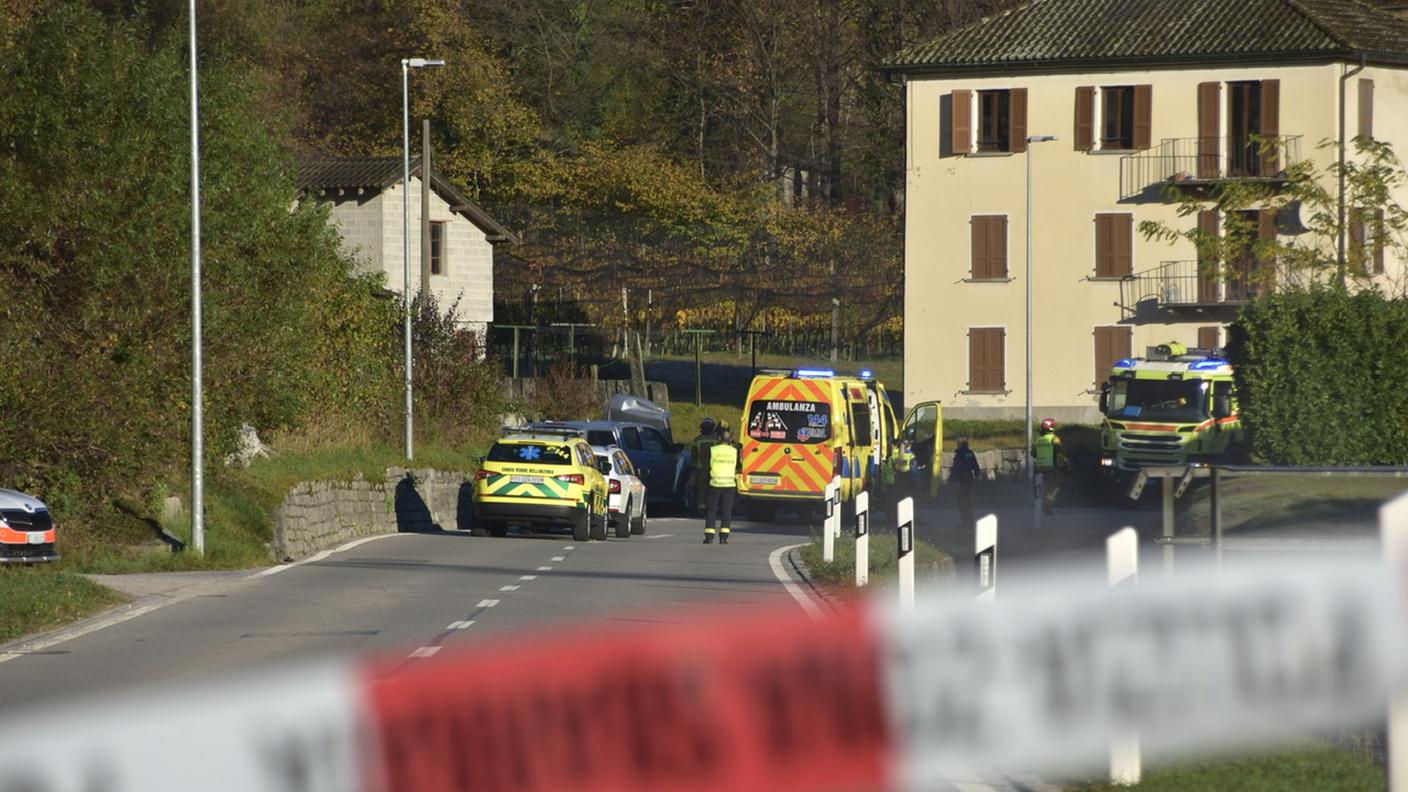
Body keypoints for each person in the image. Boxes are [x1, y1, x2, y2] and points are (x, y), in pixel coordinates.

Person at [704, 428, 740, 544]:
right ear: (730, 439)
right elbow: (738, 466)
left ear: (719, 438)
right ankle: (724, 537)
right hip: (729, 485)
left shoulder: (713, 450)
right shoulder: (734, 451)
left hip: (714, 484)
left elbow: (706, 467)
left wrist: (706, 480)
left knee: (711, 511)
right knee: (726, 511)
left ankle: (709, 536)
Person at [950, 437, 980, 532]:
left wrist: (952, 478)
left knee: (962, 503)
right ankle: (969, 523)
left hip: (961, 481)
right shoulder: (970, 453)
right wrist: (975, 478)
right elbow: (976, 467)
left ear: (959, 444)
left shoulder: (960, 454)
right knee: (968, 502)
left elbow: (957, 467)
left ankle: (965, 524)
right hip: (969, 480)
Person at [689, 418, 719, 513]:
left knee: (701, 489)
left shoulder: (697, 440)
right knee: (713, 489)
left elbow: (693, 456)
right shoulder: (716, 439)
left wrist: (693, 468)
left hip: (700, 469)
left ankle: (701, 508)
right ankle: (713, 507)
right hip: (713, 468)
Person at [1035, 417, 1063, 515]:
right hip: (1051, 467)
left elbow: (1033, 453)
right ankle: (1048, 504)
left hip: (1039, 467)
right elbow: (1061, 449)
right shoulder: (1053, 438)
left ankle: (1041, 503)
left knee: (1044, 487)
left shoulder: (1038, 438)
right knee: (1056, 485)